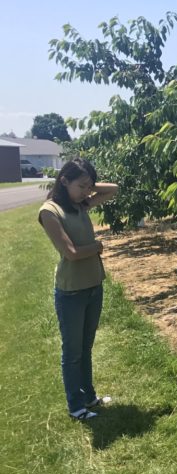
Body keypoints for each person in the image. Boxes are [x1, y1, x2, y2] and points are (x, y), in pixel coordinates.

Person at [38, 159, 119, 420]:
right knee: (72, 352)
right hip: (72, 291)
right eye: (81, 186)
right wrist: (97, 247)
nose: (87, 192)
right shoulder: (50, 211)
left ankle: (89, 397)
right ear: (64, 181)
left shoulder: (80, 204)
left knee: (86, 348)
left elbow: (113, 189)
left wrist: (88, 185)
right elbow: (71, 253)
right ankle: (76, 406)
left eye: (89, 186)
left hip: (94, 285)